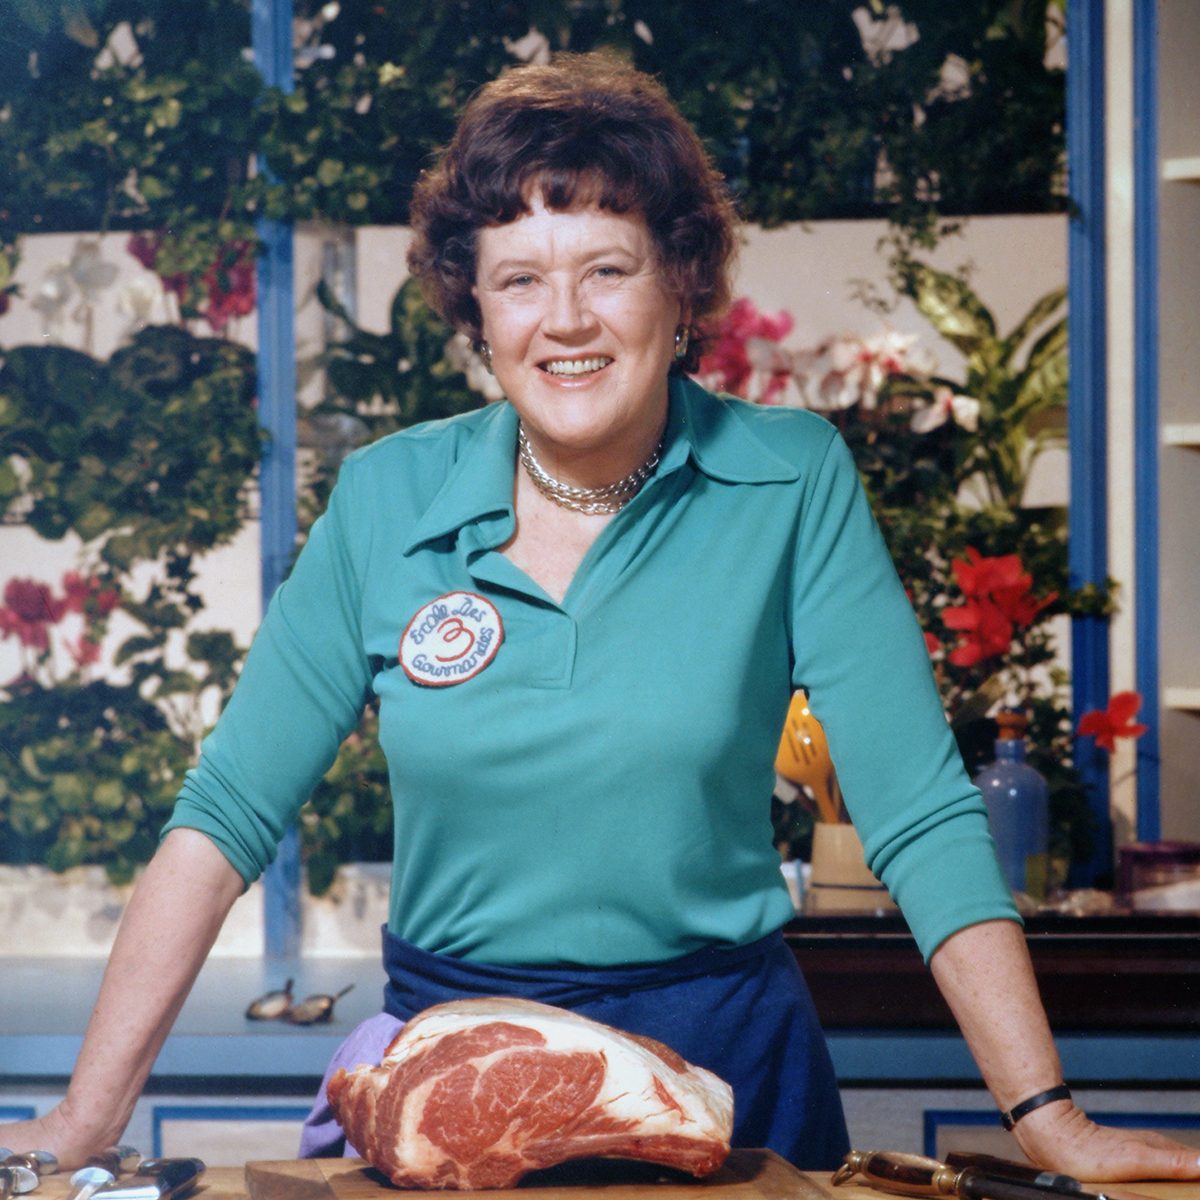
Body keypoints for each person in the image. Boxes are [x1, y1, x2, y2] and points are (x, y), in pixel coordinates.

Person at [3, 51, 1198, 1182]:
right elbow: (225, 818)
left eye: (606, 270)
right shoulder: (385, 499)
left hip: (729, 1093)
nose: (564, 319)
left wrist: (1049, 1117)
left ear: (681, 283)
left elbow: (920, 810)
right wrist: (87, 1115)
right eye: (520, 279)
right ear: (476, 309)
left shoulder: (789, 478)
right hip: (454, 1097)